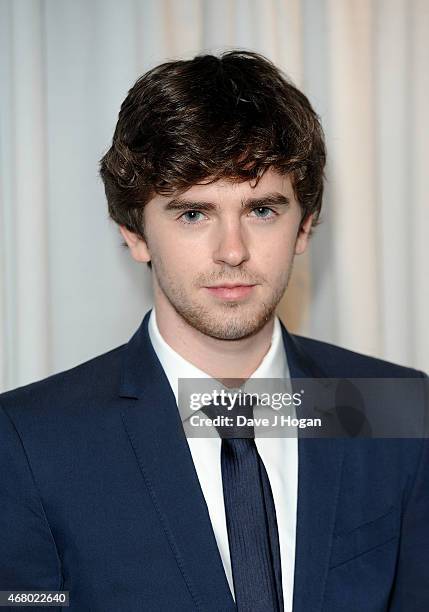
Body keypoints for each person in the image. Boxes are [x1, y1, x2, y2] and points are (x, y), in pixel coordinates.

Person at [0, 50, 428, 612]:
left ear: (306, 225)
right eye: (193, 214)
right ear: (134, 234)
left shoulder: (394, 409)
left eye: (262, 211)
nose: (233, 251)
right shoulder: (30, 441)